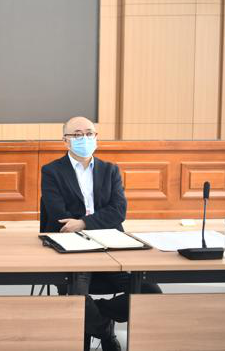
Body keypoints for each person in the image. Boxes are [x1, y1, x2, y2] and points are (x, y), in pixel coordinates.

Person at [41, 116, 161, 351]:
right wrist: (91, 222)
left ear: (96, 137)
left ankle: (99, 314)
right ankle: (105, 331)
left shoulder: (110, 170)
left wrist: (83, 222)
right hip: (72, 248)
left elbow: (119, 211)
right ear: (65, 141)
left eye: (89, 133)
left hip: (110, 245)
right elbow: (58, 215)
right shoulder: (52, 171)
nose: (84, 138)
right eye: (77, 135)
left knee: (151, 292)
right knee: (76, 298)